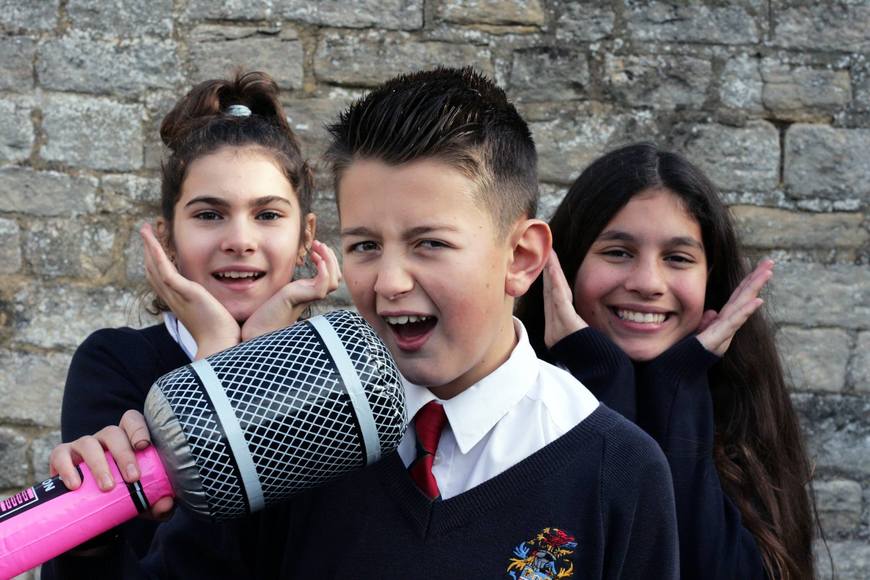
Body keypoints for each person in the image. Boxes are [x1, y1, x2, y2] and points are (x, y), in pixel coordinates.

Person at [49, 68, 679, 579]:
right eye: (365, 245)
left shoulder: (617, 470)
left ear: (520, 258)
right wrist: (85, 531)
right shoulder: (290, 427)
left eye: (430, 243)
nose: (389, 281)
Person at [42, 71, 340, 577]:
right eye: (209, 215)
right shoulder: (113, 364)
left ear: (305, 237)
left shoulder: (343, 374)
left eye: (268, 215)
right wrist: (220, 362)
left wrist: (259, 354)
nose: (239, 240)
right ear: (168, 239)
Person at [517, 142, 815, 579]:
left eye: (677, 258)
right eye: (618, 252)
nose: (648, 283)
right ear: (565, 264)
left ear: (710, 279)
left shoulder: (745, 417)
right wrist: (603, 377)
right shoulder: (510, 407)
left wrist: (676, 388)